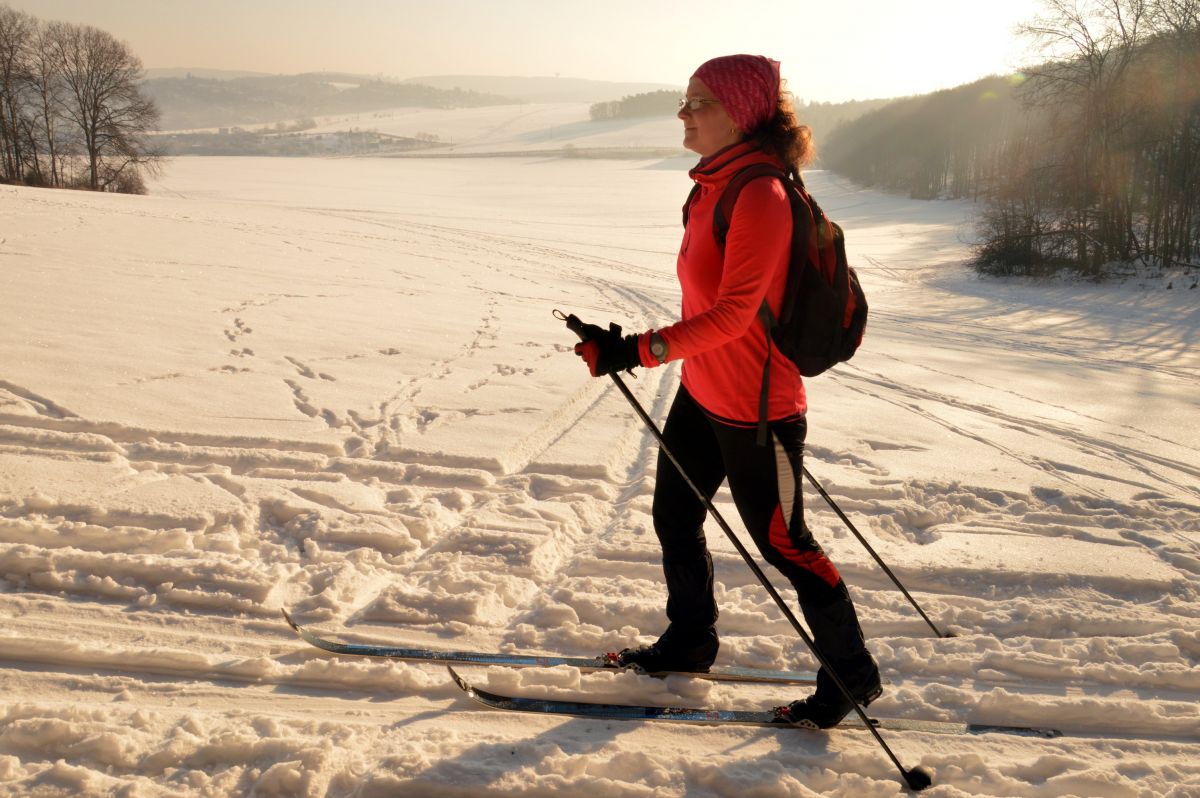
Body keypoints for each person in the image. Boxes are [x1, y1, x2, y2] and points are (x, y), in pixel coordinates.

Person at [570, 54, 881, 728]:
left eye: (698, 102)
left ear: (738, 113)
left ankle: (851, 673)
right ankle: (691, 639)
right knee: (674, 516)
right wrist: (632, 344)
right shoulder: (713, 185)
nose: (684, 113)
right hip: (703, 391)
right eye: (684, 100)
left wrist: (638, 349)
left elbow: (736, 314)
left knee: (785, 544)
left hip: (759, 411)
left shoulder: (760, 196)